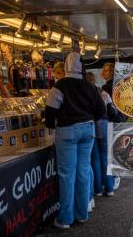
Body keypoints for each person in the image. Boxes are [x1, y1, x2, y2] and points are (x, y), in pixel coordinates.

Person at [45, 52, 106, 229]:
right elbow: (101, 110)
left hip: (67, 131)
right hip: (88, 131)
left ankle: (65, 219)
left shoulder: (60, 85)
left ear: (66, 66)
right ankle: (82, 214)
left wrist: (50, 123)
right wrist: (88, 118)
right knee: (83, 172)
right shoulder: (90, 86)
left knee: (67, 175)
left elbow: (50, 110)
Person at [85, 72, 117, 198]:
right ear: (94, 80)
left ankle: (97, 190)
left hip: (92, 125)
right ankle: (109, 188)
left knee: (95, 159)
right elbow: (111, 111)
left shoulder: (85, 94)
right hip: (104, 125)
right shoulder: (104, 93)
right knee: (106, 158)